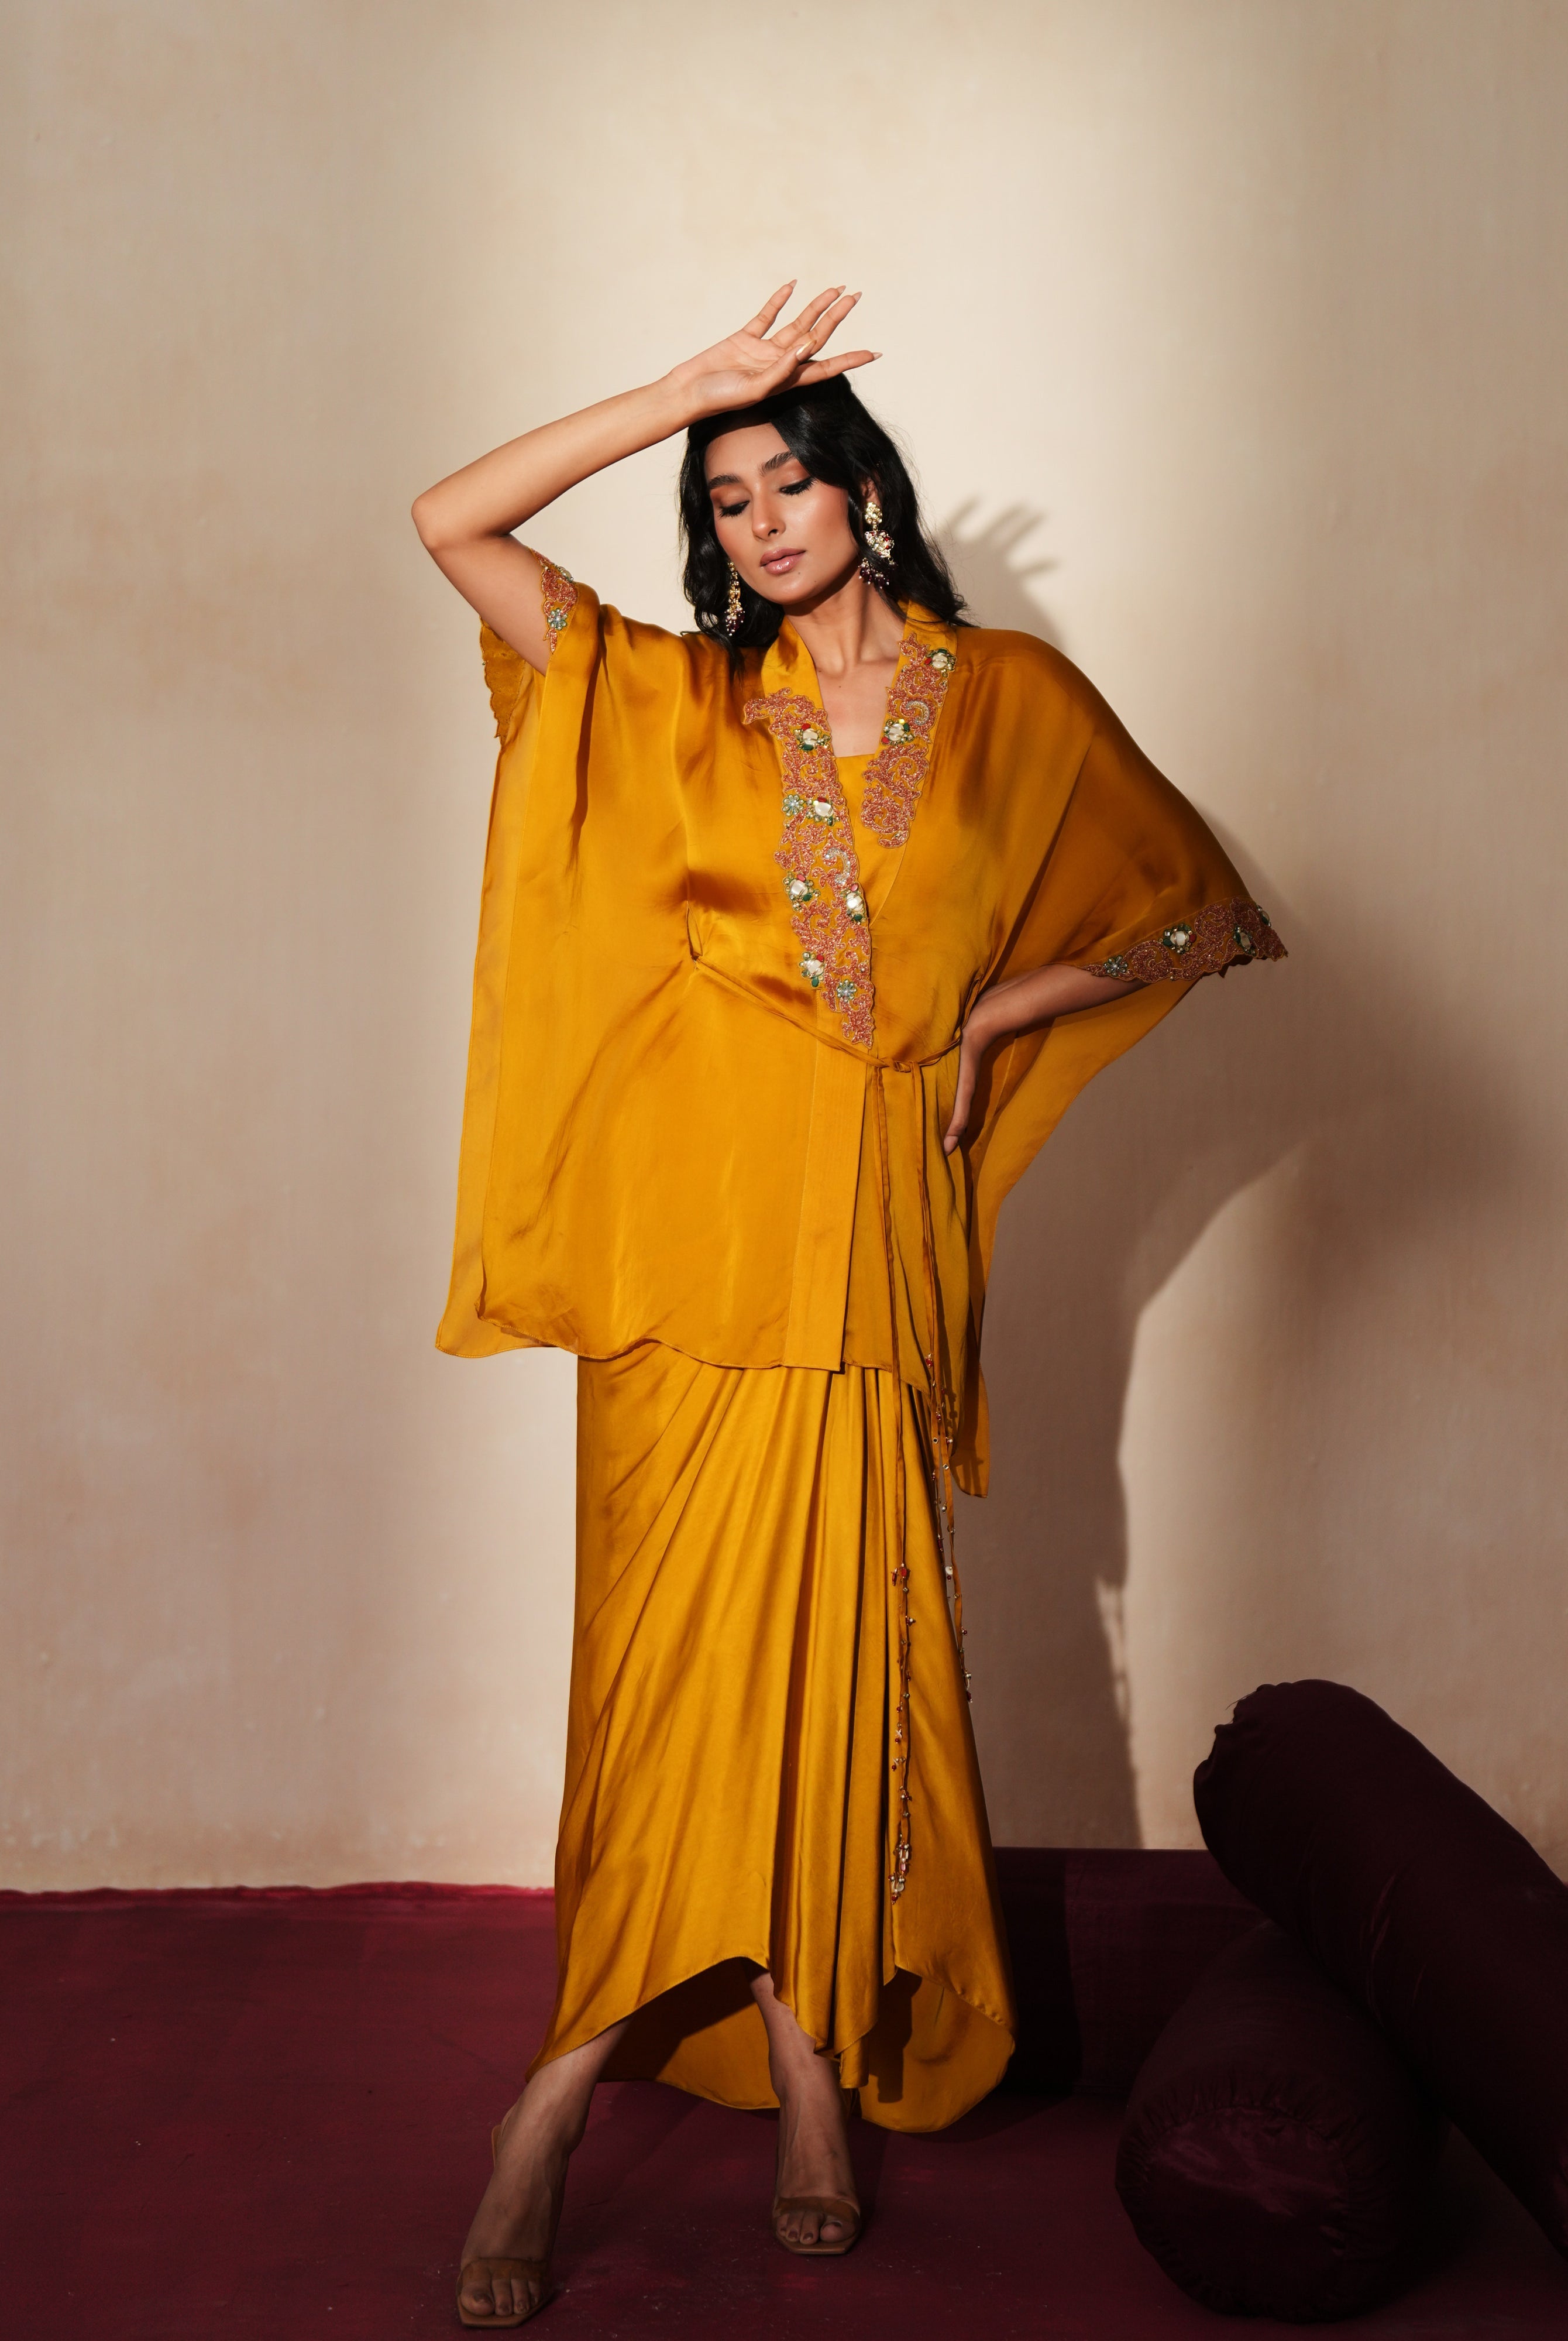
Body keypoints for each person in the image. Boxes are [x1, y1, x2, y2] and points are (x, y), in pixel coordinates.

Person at [412, 283, 1285, 2327]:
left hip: (873, 1227)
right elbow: (451, 522)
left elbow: (1196, 909)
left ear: (860, 495)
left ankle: (818, 2069)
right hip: (680, 1252)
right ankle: (550, 2099)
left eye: (789, 475)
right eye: (727, 498)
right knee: (658, 1684)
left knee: (848, 1655)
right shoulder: (675, 704)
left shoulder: (1019, 704)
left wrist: (996, 1010)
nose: (761, 517)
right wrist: (675, 394)